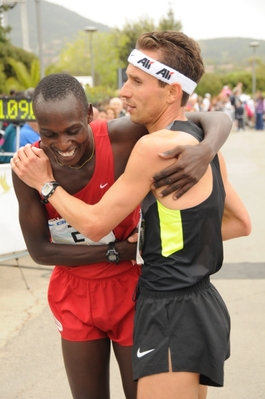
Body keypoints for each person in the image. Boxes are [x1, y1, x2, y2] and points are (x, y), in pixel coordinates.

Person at [11, 63, 232, 399]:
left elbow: (212, 119)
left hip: (129, 289)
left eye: (72, 130)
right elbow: (41, 251)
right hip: (74, 291)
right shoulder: (29, 167)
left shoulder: (121, 137)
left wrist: (206, 149)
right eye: (49, 134)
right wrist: (119, 251)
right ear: (36, 127)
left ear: (89, 114)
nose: (63, 144)